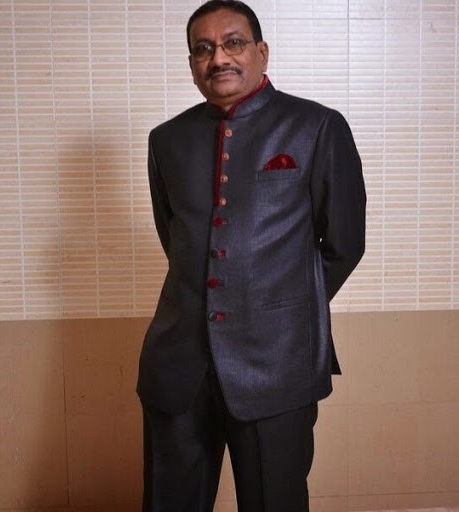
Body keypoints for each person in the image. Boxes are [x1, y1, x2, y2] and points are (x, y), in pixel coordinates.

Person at [137, 1, 366, 510]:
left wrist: (277, 309)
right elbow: (176, 240)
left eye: (233, 43)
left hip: (277, 362)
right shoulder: (166, 140)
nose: (218, 57)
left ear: (262, 52)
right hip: (177, 364)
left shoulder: (317, 126)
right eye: (203, 49)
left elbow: (345, 243)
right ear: (192, 63)